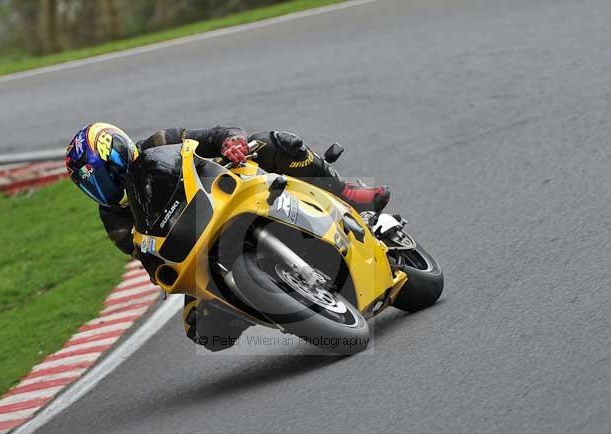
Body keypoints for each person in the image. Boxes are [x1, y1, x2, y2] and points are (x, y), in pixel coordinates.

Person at [65, 123, 390, 351]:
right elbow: (146, 255)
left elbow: (215, 134)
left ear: (120, 152)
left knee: (274, 142)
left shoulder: (159, 143)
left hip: (229, 190)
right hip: (198, 244)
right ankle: (271, 301)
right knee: (202, 331)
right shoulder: (113, 219)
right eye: (91, 185)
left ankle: (347, 192)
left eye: (106, 175)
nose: (103, 188)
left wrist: (230, 143)